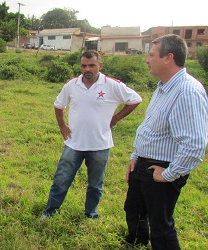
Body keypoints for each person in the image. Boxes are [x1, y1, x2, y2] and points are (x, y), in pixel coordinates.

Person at [123, 34, 208, 250]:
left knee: (160, 222)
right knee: (134, 208)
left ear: (168, 58)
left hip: (163, 167)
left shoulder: (187, 92)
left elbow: (194, 144)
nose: (147, 60)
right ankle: (137, 241)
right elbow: (150, 127)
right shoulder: (164, 87)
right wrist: (135, 156)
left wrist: (169, 174)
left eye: (151, 55)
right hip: (145, 161)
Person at [43, 50, 142, 219]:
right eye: (83, 65)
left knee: (95, 185)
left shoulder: (112, 85)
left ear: (100, 66)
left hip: (100, 145)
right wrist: (62, 126)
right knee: (61, 181)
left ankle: (90, 214)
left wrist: (116, 118)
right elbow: (59, 105)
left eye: (91, 65)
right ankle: (49, 212)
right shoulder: (72, 85)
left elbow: (135, 99)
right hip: (74, 143)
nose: (87, 69)